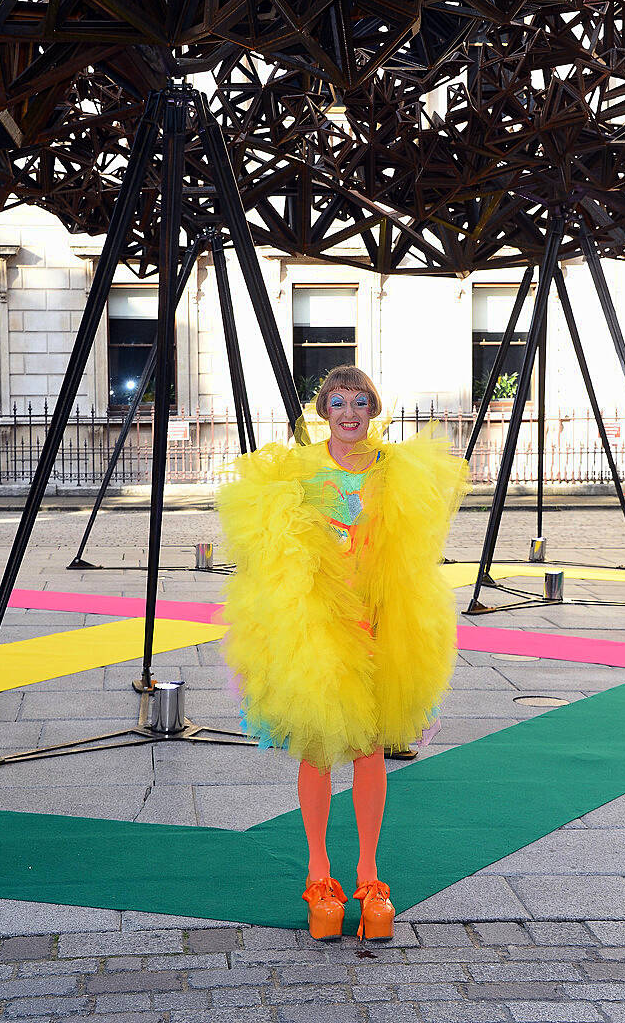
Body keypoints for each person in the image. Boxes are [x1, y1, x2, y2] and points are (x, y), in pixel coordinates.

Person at [216, 365, 471, 941]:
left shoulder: (394, 470)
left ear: (373, 409)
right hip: (319, 626)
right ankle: (319, 877)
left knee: (370, 746)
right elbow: (269, 545)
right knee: (318, 745)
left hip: (382, 621)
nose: (349, 413)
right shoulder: (301, 471)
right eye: (338, 403)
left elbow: (414, 541)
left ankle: (368, 876)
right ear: (323, 410)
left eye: (360, 402)